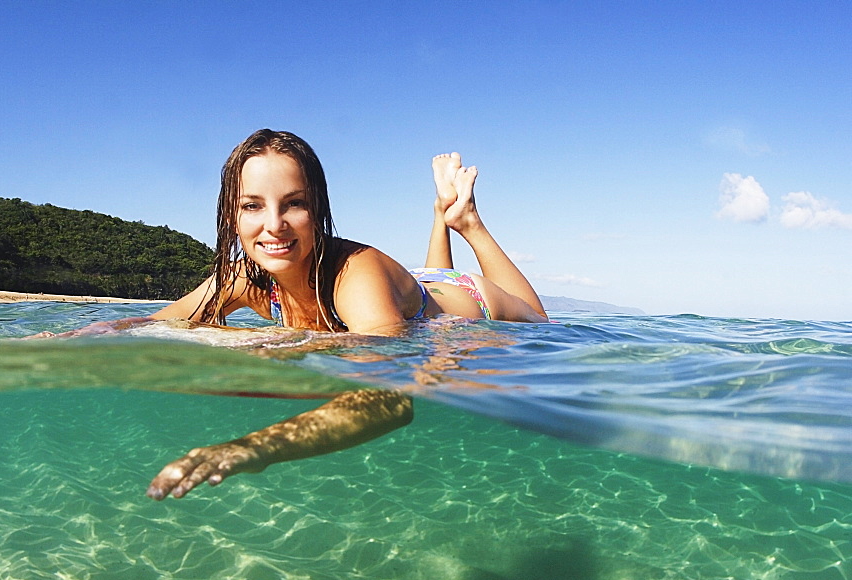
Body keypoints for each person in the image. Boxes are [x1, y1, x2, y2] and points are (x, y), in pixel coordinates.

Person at [44, 129, 547, 499]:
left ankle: (465, 219)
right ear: (231, 214)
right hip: (413, 293)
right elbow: (157, 324)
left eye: (294, 204)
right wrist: (66, 339)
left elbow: (391, 399)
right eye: (252, 206)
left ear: (318, 210)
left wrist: (254, 447)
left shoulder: (355, 273)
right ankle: (442, 217)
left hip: (468, 302)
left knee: (543, 326)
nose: (274, 226)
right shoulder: (243, 275)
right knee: (423, 290)